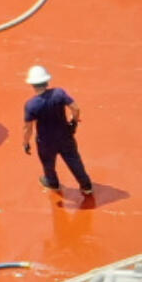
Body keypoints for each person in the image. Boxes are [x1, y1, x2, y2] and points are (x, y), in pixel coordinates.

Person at [22, 65, 92, 196]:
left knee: (48, 163)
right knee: (73, 160)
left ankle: (52, 182)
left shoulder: (31, 105)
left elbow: (28, 128)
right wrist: (74, 122)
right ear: (47, 81)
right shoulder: (59, 94)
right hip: (65, 136)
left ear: (32, 84)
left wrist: (25, 143)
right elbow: (75, 108)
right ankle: (86, 185)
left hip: (46, 142)